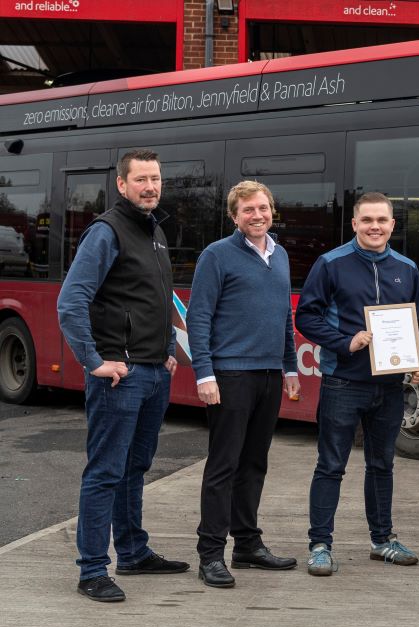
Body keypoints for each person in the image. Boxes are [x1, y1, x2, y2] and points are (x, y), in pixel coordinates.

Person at [57, 149, 189, 603]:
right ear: (121, 184)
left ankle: (132, 551)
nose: (150, 187)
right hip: (120, 375)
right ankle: (92, 569)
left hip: (153, 372)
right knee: (105, 471)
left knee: (135, 466)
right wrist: (94, 361)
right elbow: (70, 302)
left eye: (156, 178)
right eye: (141, 180)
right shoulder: (106, 231)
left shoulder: (154, 232)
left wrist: (169, 349)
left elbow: (160, 299)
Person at [295, 191, 419, 576]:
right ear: (354, 224)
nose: (375, 227)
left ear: (392, 225)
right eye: (366, 220)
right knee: (331, 465)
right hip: (343, 380)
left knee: (382, 464)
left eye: (382, 220)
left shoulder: (406, 267)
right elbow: (307, 316)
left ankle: (382, 540)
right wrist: (345, 342)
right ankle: (320, 544)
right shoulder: (331, 264)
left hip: (389, 386)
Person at [186, 181, 301, 588]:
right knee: (224, 464)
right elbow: (198, 318)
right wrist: (204, 373)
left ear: (273, 211)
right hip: (230, 376)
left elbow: (284, 318)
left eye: (263, 208)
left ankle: (248, 545)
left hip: (270, 375)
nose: (258, 215)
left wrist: (290, 369)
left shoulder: (280, 255)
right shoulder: (216, 256)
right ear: (235, 216)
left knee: (254, 464)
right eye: (248, 210)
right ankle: (211, 554)